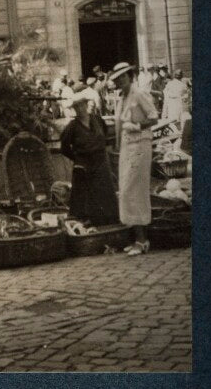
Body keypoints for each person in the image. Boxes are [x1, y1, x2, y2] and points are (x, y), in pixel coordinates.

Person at [111, 62, 158, 256]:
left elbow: (154, 117)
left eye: (123, 77)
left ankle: (142, 240)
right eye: (117, 78)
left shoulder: (139, 94)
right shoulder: (121, 98)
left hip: (140, 145)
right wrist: (116, 145)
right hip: (127, 146)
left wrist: (137, 126)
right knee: (125, 190)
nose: (120, 80)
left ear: (130, 77)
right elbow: (119, 124)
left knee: (134, 189)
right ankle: (137, 238)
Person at [59, 92, 119, 226]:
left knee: (105, 194)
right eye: (76, 107)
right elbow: (64, 148)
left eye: (82, 105)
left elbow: (105, 135)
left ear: (86, 104)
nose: (80, 109)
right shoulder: (73, 126)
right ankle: (86, 225)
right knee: (85, 199)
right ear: (74, 109)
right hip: (84, 166)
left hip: (101, 163)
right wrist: (77, 158)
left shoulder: (97, 120)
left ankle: (108, 224)